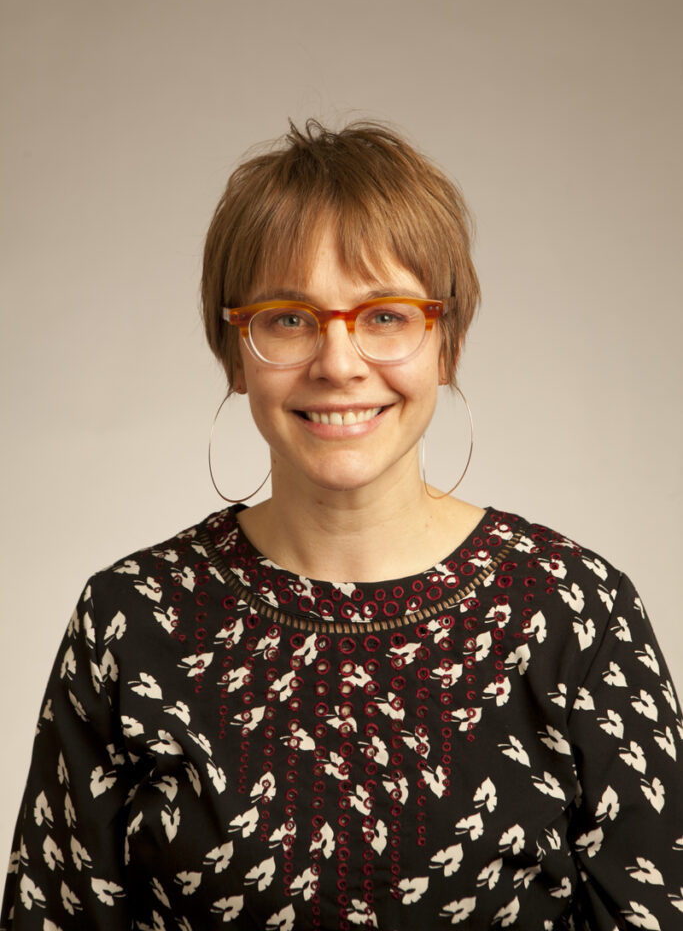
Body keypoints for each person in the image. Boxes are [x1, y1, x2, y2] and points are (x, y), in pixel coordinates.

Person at [2, 120, 681, 930]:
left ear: (446, 340)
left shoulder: (573, 609)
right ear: (235, 346)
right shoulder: (131, 618)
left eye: (385, 315)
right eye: (289, 318)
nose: (338, 362)